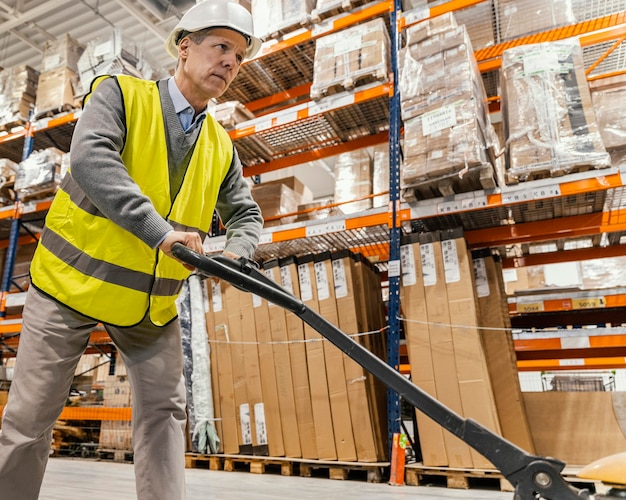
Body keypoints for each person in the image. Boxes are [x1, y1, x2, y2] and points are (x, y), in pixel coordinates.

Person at [0, 1, 263, 499]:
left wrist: (238, 253)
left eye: (239, 56)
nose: (230, 62)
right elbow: (92, 161)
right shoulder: (119, 94)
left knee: (165, 415)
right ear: (184, 47)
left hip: (149, 307)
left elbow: (247, 215)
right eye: (221, 47)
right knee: (30, 419)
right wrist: (161, 232)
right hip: (69, 286)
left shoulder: (221, 147)